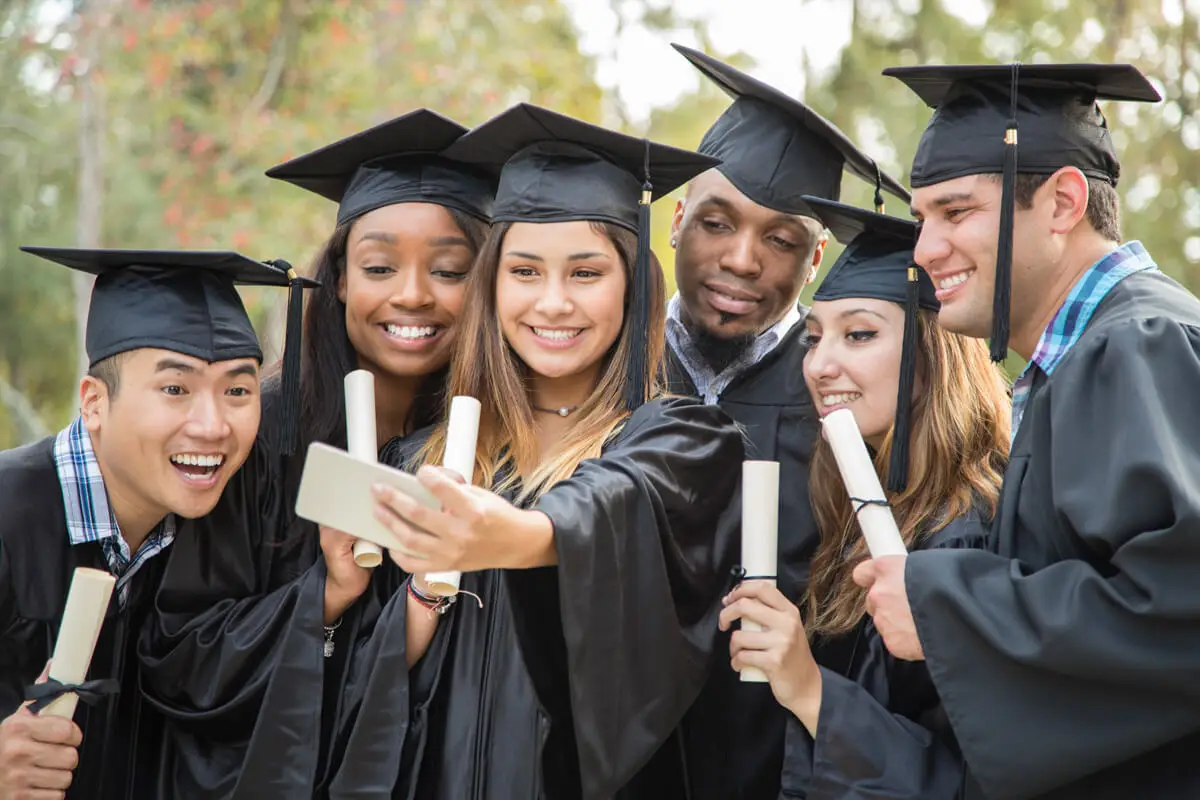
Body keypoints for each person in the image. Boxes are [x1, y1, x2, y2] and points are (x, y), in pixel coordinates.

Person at [328, 103, 745, 800]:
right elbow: (362, 691)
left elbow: (618, 500)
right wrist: (425, 591)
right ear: (492, 286)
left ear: (632, 285)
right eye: (524, 272)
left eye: (585, 274)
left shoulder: (683, 440)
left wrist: (515, 534)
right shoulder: (413, 460)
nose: (552, 303)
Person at [856, 63, 1200, 798]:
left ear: (1063, 201)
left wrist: (945, 607)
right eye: (922, 220)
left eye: (955, 212)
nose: (922, 252)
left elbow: (1180, 609)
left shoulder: (1133, 345)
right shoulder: (1075, 361)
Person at [135, 109, 495, 797]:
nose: (413, 294)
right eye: (380, 266)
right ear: (339, 281)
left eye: (450, 270)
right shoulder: (260, 435)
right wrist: (324, 594)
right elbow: (179, 652)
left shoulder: (501, 446)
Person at [664, 44, 912, 799]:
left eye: (781, 240)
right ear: (676, 219)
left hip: (782, 772)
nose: (743, 260)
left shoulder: (850, 411)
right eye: (715, 222)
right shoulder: (609, 370)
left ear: (814, 261)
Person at [719, 198, 1009, 798]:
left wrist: (807, 686)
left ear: (934, 354)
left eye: (859, 334)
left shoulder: (970, 531)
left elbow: (970, 777)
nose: (821, 365)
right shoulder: (869, 505)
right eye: (814, 338)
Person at [0, 247, 308, 800]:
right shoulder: (9, 514)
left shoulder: (218, 530)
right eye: (175, 389)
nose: (212, 426)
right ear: (93, 403)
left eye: (238, 390)